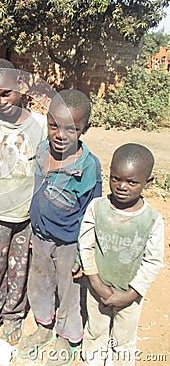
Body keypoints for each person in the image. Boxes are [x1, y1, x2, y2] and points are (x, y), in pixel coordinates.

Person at [18, 90, 102, 365]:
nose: (60, 134)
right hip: (41, 235)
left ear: (84, 129)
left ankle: (66, 336)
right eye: (54, 125)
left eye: (71, 129)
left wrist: (82, 252)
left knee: (68, 290)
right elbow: (34, 190)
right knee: (40, 282)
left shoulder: (88, 167)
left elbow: (92, 212)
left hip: (69, 243)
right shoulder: (42, 151)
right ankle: (44, 326)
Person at [0, 59, 47, 348]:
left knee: (19, 267)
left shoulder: (40, 127)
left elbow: (46, 174)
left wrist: (39, 220)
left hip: (26, 217)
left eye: (7, 94)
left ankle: (14, 315)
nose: (1, 102)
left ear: (22, 87)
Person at [78, 143, 164, 366]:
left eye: (132, 182)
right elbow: (85, 245)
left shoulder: (152, 220)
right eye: (115, 178)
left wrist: (131, 294)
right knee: (96, 329)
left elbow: (153, 261)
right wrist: (95, 282)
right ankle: (93, 360)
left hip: (130, 295)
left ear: (148, 183)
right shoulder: (97, 208)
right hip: (97, 289)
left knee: (124, 338)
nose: (122, 186)